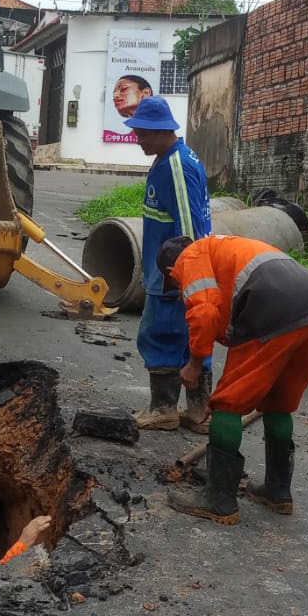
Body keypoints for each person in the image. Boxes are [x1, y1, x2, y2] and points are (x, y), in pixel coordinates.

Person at [159, 234, 308, 525]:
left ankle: (218, 501)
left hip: (273, 312)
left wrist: (195, 365)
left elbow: (204, 312)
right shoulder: (227, 248)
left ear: (171, 271)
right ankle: (278, 492)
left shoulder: (189, 257)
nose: (180, 291)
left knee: (228, 405)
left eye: (176, 285)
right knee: (279, 402)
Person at [125, 96, 213, 432]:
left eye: (143, 134)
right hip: (173, 273)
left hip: (172, 276)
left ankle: (164, 409)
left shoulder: (176, 165)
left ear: (163, 131)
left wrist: (182, 280)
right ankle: (198, 410)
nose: (139, 140)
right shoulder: (170, 158)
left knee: (160, 335)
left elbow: (188, 230)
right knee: (191, 337)